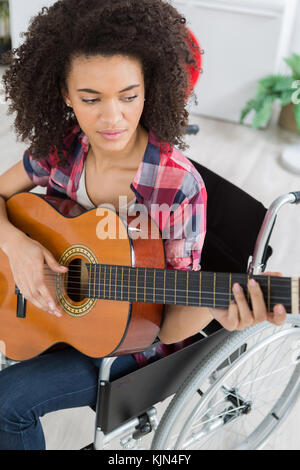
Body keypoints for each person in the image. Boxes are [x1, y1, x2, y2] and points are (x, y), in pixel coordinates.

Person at [0, 0, 286, 450]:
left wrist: (219, 305)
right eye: (90, 99)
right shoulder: (61, 149)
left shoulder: (177, 186)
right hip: (50, 314)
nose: (111, 118)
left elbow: (167, 330)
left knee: (6, 404)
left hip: (130, 345)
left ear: (150, 89)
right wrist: (18, 247)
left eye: (128, 96)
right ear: (64, 93)